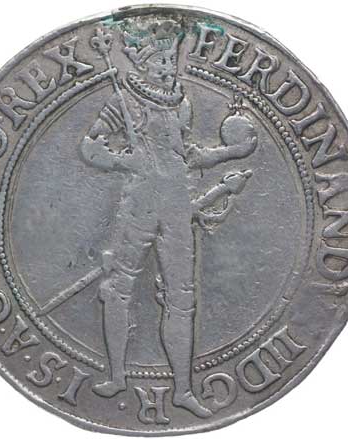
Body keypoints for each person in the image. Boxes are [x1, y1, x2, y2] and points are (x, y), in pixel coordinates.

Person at [79, 20, 255, 418]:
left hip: (176, 207)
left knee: (182, 299)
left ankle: (183, 389)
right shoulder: (123, 103)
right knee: (117, 289)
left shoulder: (181, 103)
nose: (168, 67)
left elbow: (186, 155)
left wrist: (230, 152)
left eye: (170, 59)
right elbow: (90, 147)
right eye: (159, 60)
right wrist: (125, 161)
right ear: (141, 63)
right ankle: (117, 376)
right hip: (139, 206)